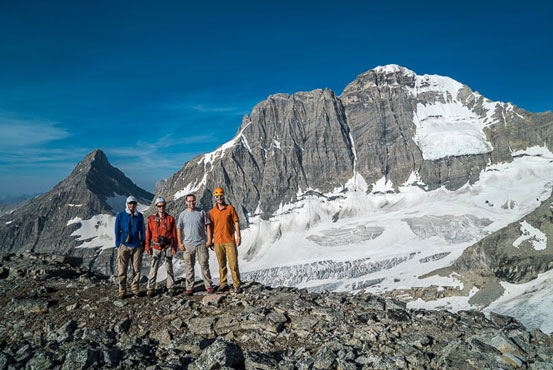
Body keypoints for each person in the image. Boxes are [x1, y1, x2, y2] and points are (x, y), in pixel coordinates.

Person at [177, 193, 215, 296]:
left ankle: (209, 286)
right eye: (189, 201)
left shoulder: (201, 212)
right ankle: (189, 287)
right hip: (188, 245)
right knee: (189, 266)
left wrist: (209, 240)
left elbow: (208, 226)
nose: (191, 202)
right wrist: (180, 243)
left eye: (193, 200)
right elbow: (179, 229)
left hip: (201, 243)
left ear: (195, 201)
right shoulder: (182, 214)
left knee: (204, 265)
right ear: (186, 202)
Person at [208, 187, 242, 293]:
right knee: (221, 265)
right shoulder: (212, 212)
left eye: (221, 196)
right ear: (215, 198)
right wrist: (211, 240)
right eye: (217, 196)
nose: (219, 198)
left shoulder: (230, 208)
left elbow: (236, 222)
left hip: (230, 240)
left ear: (223, 196)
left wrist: (238, 236)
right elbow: (211, 227)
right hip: (218, 241)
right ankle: (223, 284)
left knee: (233, 264)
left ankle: (237, 285)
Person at [145, 197, 178, 296]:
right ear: (156, 207)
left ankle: (171, 287)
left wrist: (174, 247)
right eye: (159, 206)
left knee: (169, 267)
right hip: (155, 246)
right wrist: (147, 246)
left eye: (163, 206)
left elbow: (174, 235)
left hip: (167, 246)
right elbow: (148, 233)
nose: (161, 207)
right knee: (153, 267)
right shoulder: (151, 219)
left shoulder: (170, 219)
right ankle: (150, 288)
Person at [114, 195, 146, 298]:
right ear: (127, 204)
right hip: (124, 246)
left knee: (136, 269)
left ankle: (135, 288)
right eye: (130, 203)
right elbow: (117, 229)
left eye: (134, 203)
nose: (132, 205)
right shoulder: (121, 215)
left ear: (136, 204)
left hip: (136, 245)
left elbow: (142, 230)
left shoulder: (139, 216)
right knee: (122, 269)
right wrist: (118, 243)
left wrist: (143, 242)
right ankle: (122, 290)